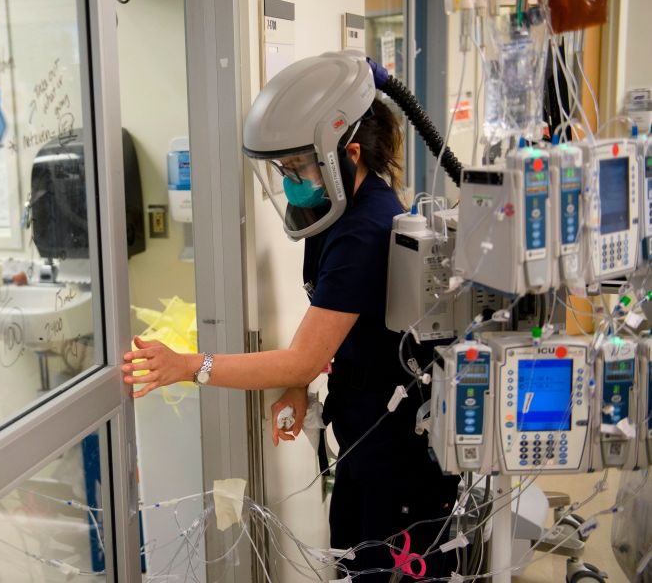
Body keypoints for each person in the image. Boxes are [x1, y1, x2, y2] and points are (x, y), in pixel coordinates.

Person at [121, 51, 458, 580]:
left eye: (297, 167)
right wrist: (300, 386)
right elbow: (329, 324)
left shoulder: (366, 227)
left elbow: (303, 356)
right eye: (283, 169)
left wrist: (189, 365)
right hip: (364, 433)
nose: (290, 179)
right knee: (351, 560)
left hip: (399, 454)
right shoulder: (333, 208)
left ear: (345, 152)